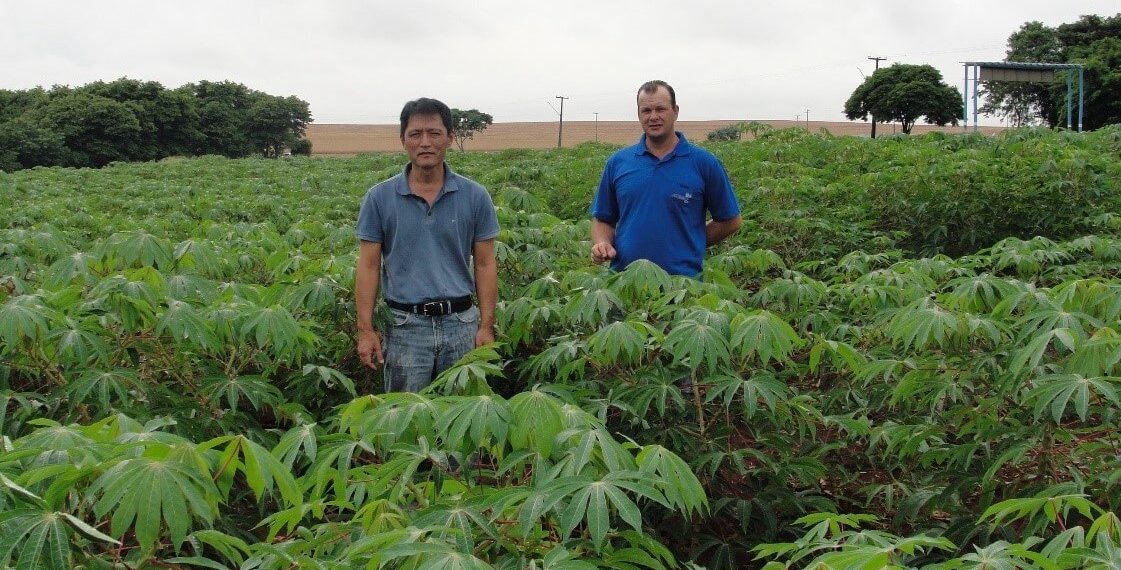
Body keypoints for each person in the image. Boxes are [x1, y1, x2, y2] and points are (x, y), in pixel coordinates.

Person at [355, 97, 499, 392]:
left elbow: (485, 263)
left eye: (434, 133)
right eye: (415, 134)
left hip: (461, 325)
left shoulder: (475, 196)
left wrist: (485, 326)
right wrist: (365, 329)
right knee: (403, 421)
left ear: (450, 138)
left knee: (463, 419)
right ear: (403, 140)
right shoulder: (379, 198)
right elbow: (369, 266)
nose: (425, 142)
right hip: (404, 326)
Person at [590, 80, 742, 276]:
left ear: (675, 111)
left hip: (681, 285)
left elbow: (731, 220)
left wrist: (691, 241)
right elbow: (603, 218)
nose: (653, 117)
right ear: (638, 114)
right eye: (646, 111)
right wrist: (602, 242)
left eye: (660, 109)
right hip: (624, 282)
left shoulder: (704, 163)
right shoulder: (618, 163)